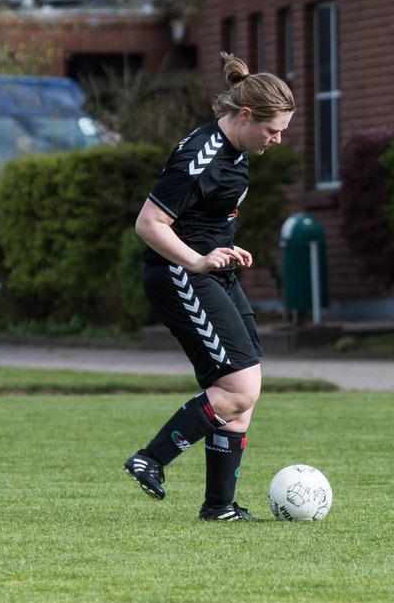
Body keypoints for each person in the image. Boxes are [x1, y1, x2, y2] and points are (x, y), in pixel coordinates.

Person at [124, 52, 295, 521]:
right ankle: (150, 459)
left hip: (212, 272)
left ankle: (219, 506)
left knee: (245, 386)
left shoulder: (235, 149)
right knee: (236, 389)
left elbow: (204, 217)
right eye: (273, 129)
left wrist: (224, 248)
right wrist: (199, 259)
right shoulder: (201, 157)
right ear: (245, 115)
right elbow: (149, 222)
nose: (277, 139)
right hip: (181, 274)